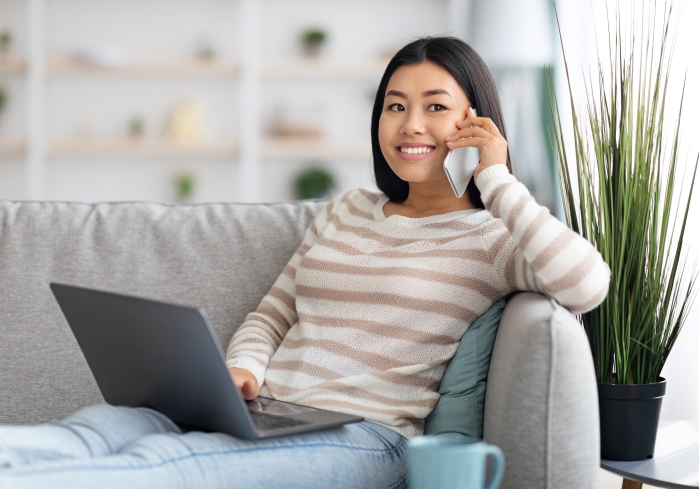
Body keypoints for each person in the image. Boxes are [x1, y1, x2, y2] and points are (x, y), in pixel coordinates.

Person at [0, 36, 610, 489]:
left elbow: (586, 284)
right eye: (395, 107)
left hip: (366, 438)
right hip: (267, 414)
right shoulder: (347, 210)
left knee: (155, 470)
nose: (410, 125)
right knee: (95, 431)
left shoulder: (493, 238)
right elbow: (273, 314)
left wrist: (496, 176)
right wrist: (241, 373)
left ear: (475, 121)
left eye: (434, 106)